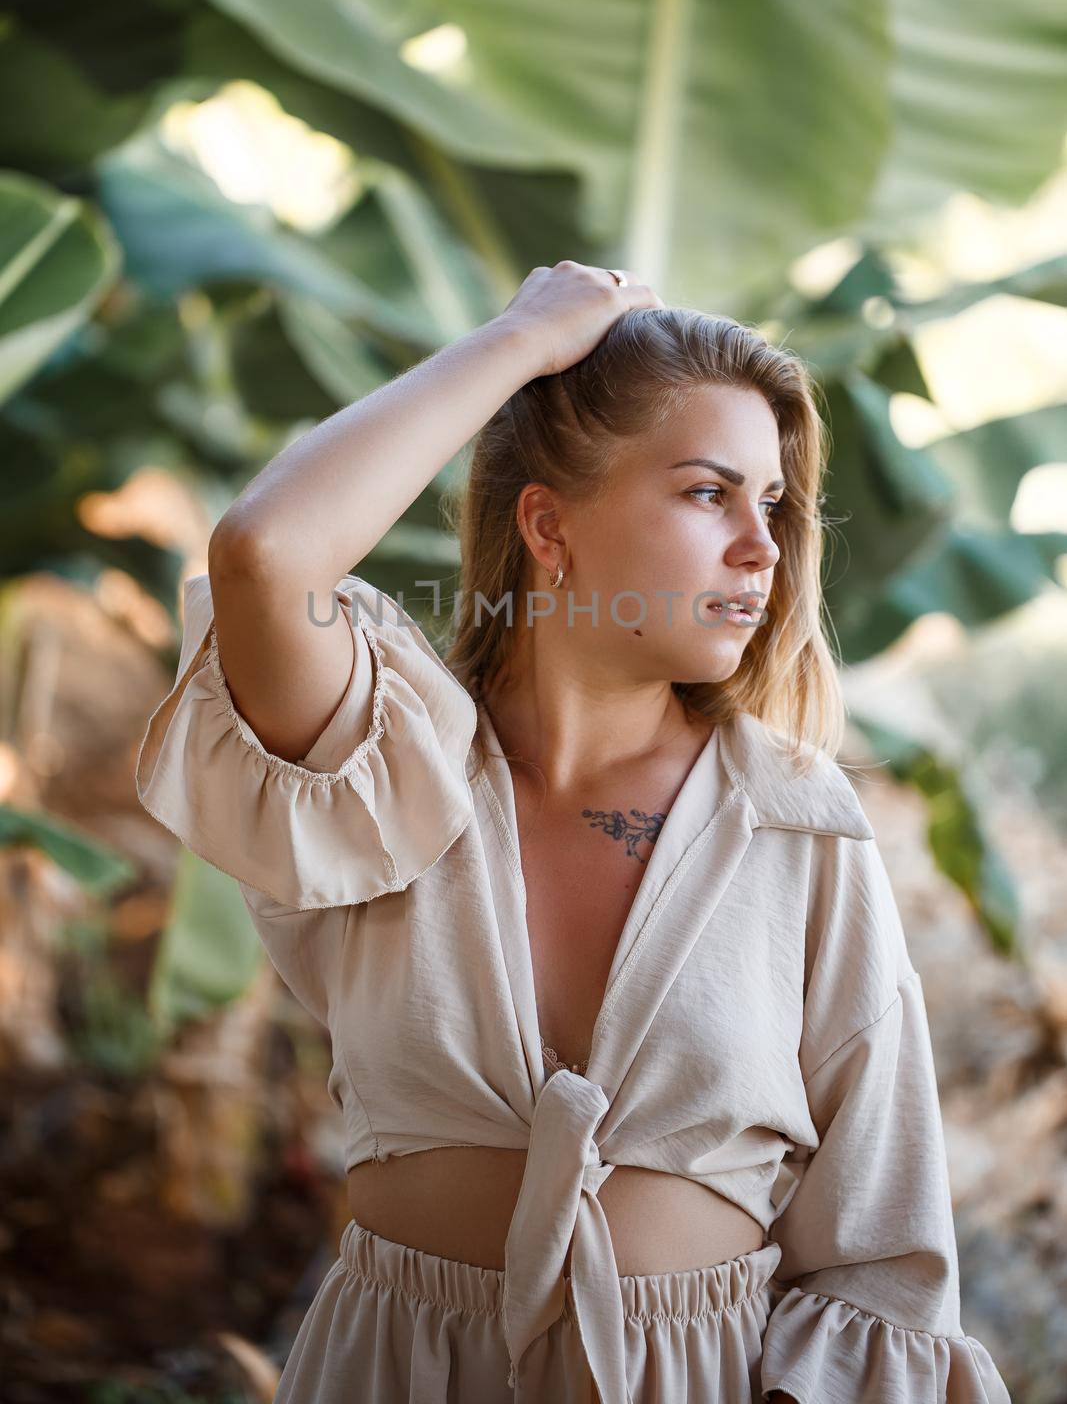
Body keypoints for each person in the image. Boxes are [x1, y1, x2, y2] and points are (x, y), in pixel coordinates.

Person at [135, 262, 1011, 1403]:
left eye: (773, 503)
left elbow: (877, 1254)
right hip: (399, 1368)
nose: (762, 546)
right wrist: (519, 338)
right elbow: (265, 554)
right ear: (547, 524)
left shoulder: (794, 826)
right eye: (708, 493)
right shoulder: (383, 765)